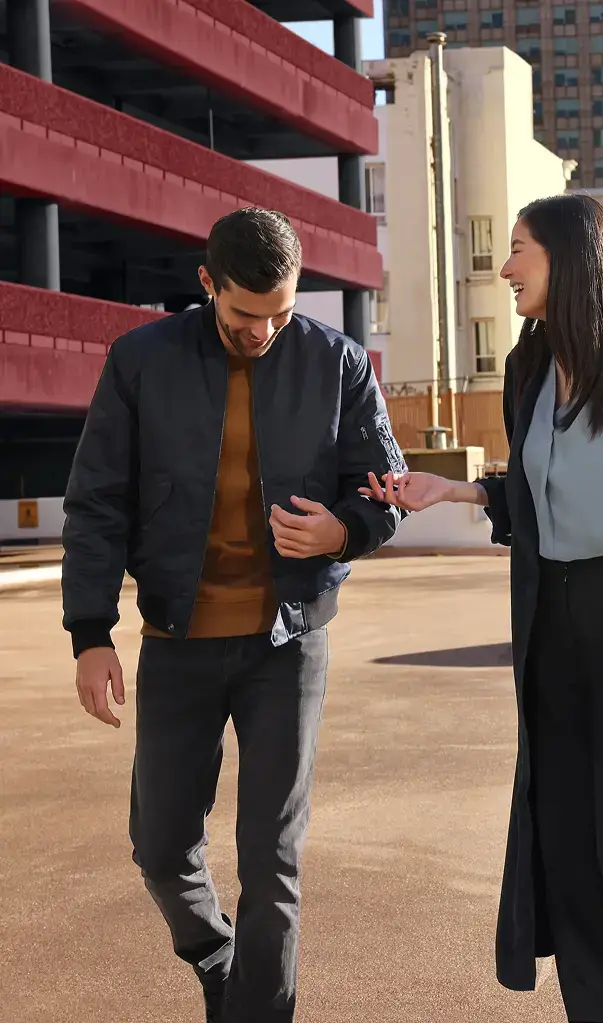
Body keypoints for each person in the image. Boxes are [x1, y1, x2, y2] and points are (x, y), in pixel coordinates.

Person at [361, 193, 603, 1023]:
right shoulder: (530, 368)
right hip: (554, 624)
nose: (503, 268)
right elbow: (539, 497)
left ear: (570, 259)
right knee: (570, 850)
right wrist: (455, 489)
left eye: (517, 251)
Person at [62, 207, 407, 1024]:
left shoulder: (338, 361)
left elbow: (381, 486)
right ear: (208, 285)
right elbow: (98, 503)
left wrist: (344, 528)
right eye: (246, 313)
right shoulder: (140, 361)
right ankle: (221, 963)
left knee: (272, 858)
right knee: (159, 849)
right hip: (178, 641)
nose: (264, 329)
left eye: (281, 311)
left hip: (288, 644)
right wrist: (89, 634)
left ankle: (259, 1012)